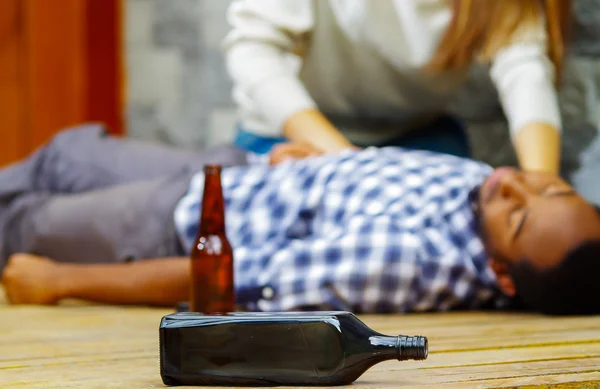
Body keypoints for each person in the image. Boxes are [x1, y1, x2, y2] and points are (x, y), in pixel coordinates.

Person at [1, 125, 599, 315]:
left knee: (18, 222)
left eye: (518, 216)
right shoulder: (490, 194)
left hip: (184, 223)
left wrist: (60, 281)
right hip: (245, 172)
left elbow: (228, 279)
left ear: (502, 273)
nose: (512, 182)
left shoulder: (400, 260)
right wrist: (323, 169)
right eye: (547, 185)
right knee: (65, 155)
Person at [224, 0, 571, 174]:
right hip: (291, 135)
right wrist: (345, 160)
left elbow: (525, 72)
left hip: (415, 138)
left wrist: (541, 185)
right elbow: (253, 51)